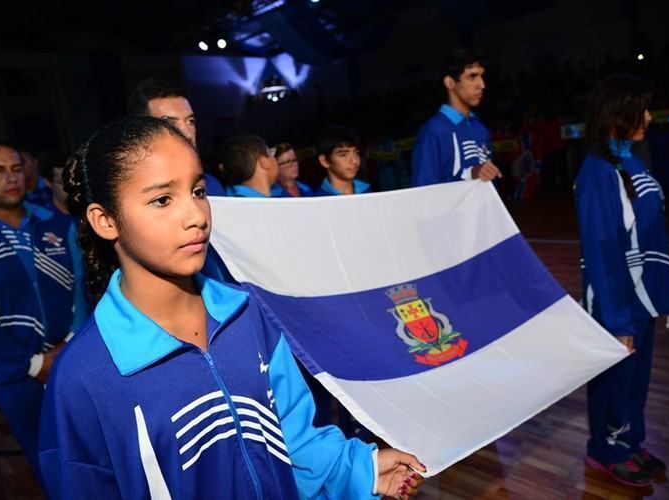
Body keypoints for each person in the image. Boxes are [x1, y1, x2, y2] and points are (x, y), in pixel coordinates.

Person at [38, 116, 425, 499]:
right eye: (162, 200)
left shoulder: (248, 315)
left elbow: (292, 436)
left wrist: (361, 471)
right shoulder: (83, 377)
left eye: (198, 191)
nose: (195, 216)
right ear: (105, 220)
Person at [0, 140, 87, 480]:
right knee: (49, 462)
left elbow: (85, 287)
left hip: (75, 359)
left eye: (16, 169)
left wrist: (69, 347)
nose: (11, 178)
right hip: (15, 375)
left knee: (93, 451)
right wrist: (32, 364)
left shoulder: (57, 224)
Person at [576, 75, 669, 487]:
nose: (650, 117)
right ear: (617, 114)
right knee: (613, 380)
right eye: (642, 109)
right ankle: (604, 448)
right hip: (615, 298)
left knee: (636, 379)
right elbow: (602, 250)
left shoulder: (633, 160)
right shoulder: (596, 171)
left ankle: (630, 441)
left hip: (643, 294)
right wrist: (617, 320)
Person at [411, 46, 502, 186]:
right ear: (450, 82)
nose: (482, 84)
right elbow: (424, 192)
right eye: (472, 76)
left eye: (481, 76)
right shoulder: (432, 131)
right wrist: (471, 174)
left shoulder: (480, 129)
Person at [128, 77, 227, 196]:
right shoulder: (128, 189)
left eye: (190, 121)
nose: (187, 133)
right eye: (170, 123)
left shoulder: (212, 186)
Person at [313, 126, 371, 196]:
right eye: (343, 155)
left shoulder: (368, 191)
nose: (354, 161)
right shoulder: (318, 201)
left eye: (356, 153)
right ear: (324, 161)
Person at [222, 134, 280, 198]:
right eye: (271, 152)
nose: (275, 158)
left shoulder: (226, 199)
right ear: (264, 162)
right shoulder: (256, 205)